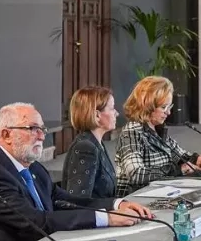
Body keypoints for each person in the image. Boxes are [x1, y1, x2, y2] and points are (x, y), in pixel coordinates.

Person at [0, 103, 145, 241]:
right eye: (32, 129)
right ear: (6, 135)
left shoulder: (33, 167)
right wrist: (107, 218)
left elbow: (64, 200)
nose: (42, 136)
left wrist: (115, 204)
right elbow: (35, 222)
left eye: (42, 129)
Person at [63, 87, 155, 219]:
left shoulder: (96, 143)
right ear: (97, 115)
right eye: (112, 108)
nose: (116, 113)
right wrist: (117, 206)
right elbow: (78, 203)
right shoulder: (86, 147)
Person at [115, 76, 201, 196]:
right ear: (147, 106)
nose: (168, 113)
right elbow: (136, 174)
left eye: (169, 107)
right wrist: (178, 169)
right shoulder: (132, 132)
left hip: (158, 194)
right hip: (135, 198)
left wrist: (196, 160)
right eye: (163, 107)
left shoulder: (157, 129)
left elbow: (181, 156)